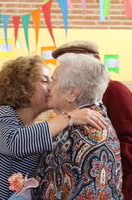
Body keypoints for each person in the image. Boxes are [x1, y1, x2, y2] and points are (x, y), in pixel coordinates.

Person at [0, 55, 106, 200]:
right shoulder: (1, 115)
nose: (51, 87)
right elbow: (14, 144)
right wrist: (68, 117)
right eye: (45, 80)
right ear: (22, 86)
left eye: (52, 81)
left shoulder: (35, 129)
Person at [33, 53, 123, 199]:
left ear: (72, 93)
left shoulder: (91, 131)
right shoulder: (74, 122)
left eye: (53, 81)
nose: (49, 87)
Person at [51, 40, 132, 200]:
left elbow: (128, 140)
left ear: (95, 60)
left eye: (75, 61)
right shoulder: (72, 103)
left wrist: (104, 171)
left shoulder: (114, 90)